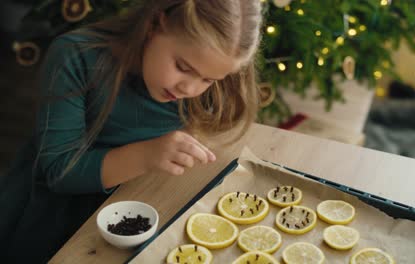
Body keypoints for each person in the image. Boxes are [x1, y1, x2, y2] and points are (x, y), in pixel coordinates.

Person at [0, 0, 263, 262]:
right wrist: (146, 156)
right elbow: (60, 172)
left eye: (208, 80)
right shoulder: (77, 56)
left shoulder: (210, 78)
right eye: (183, 68)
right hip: (58, 215)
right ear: (154, 25)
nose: (190, 89)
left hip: (143, 201)